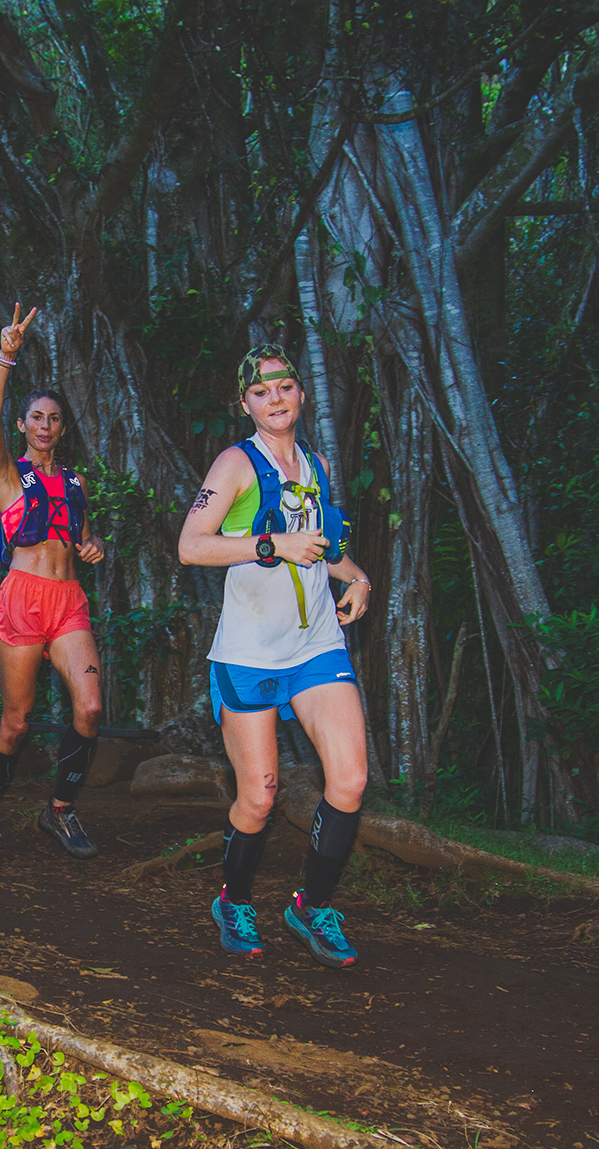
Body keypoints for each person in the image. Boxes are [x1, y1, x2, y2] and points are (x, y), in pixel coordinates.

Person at [177, 346, 373, 968]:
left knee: (350, 781)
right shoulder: (236, 463)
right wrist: (270, 543)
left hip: (316, 643)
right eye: (263, 392)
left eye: (286, 387)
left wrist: (357, 574)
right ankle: (233, 900)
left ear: (301, 395)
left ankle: (310, 907)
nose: (277, 398)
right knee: (259, 796)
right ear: (246, 404)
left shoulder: (311, 463)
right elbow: (190, 546)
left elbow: (317, 545)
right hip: (250, 652)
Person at [0, 303, 108, 862]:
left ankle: (61, 811)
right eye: (36, 417)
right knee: (16, 723)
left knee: (90, 709)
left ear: (62, 428)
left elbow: (83, 541)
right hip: (21, 600)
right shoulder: (8, 473)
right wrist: (7, 356)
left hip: (68, 602)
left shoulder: (75, 482)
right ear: (25, 426)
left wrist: (93, 547)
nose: (45, 425)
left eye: (54, 418)